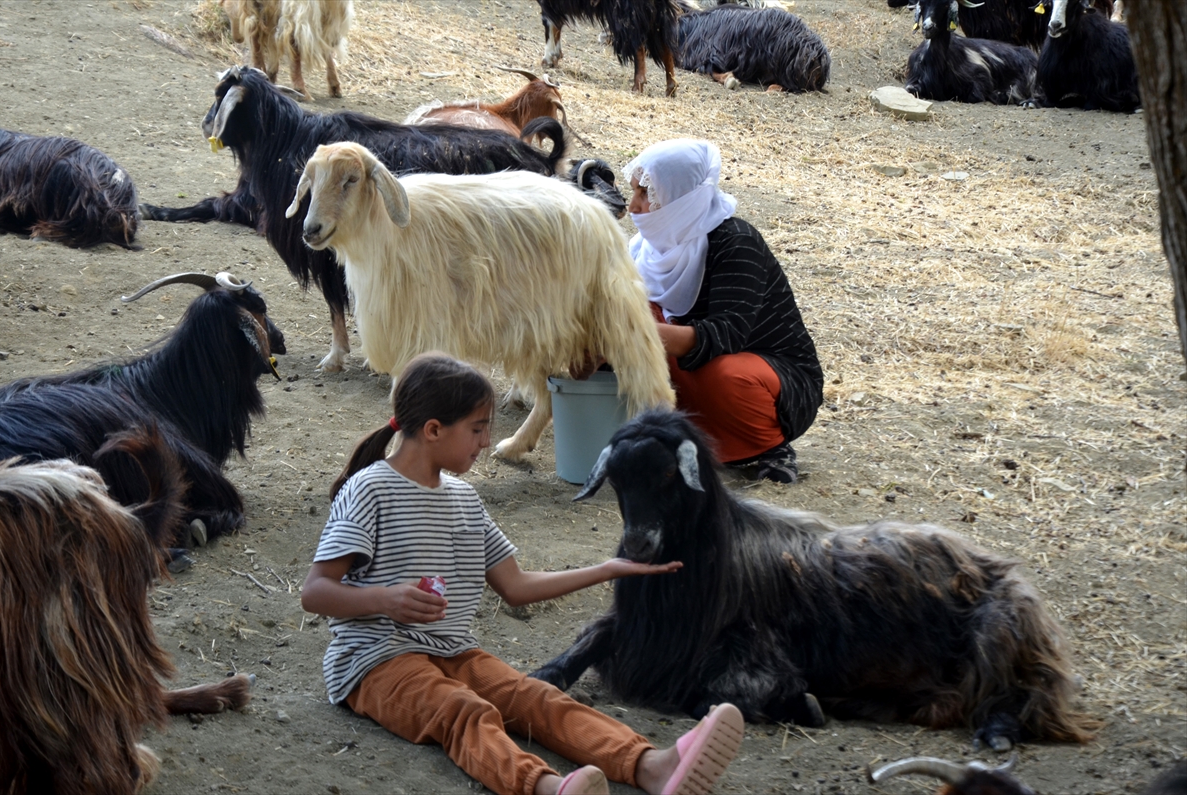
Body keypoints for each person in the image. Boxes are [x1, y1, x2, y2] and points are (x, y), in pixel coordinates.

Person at [301, 352, 745, 795]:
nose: (486, 441)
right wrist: (385, 599)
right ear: (434, 430)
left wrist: (608, 569)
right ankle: (547, 787)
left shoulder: (464, 500)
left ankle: (651, 765)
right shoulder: (371, 489)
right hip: (375, 662)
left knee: (536, 696)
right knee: (463, 711)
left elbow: (515, 586)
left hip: (455, 652)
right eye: (477, 429)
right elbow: (316, 592)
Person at [624, 139, 823, 484]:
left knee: (726, 374)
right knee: (630, 308)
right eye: (634, 193)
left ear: (680, 199)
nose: (633, 207)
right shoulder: (645, 251)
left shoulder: (735, 242)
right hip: (693, 363)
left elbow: (726, 334)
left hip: (769, 374)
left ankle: (768, 447)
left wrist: (632, 332)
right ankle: (677, 436)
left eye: (646, 195)